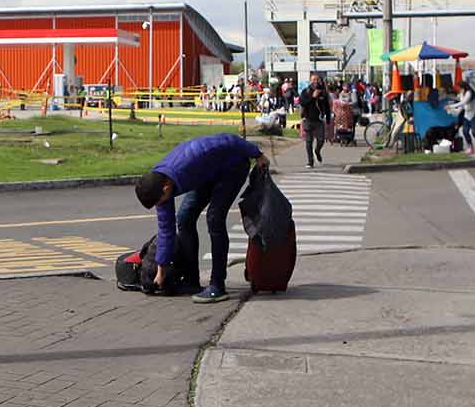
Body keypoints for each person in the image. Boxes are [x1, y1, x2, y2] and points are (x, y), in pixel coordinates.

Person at [134, 133, 267, 303]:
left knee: (214, 218)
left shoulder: (191, 158)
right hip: (206, 175)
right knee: (184, 218)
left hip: (232, 168)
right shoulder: (158, 186)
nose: (161, 205)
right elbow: (166, 227)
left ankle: (217, 285)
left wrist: (257, 154)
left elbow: (228, 139)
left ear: (166, 188)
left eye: (160, 201)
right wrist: (161, 266)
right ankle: (192, 280)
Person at [299, 76, 332, 167]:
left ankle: (317, 151)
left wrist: (328, 119)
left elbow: (327, 106)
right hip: (308, 119)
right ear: (310, 81)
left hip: (319, 120)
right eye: (314, 80)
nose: (316, 81)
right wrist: (313, 97)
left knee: (321, 140)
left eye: (317, 80)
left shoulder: (323, 92)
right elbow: (302, 102)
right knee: (309, 142)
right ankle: (310, 161)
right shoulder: (306, 91)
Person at [454, 79, 475, 155]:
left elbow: (463, 102)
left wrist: (452, 105)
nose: (457, 89)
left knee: (474, 132)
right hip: (467, 114)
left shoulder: (469, 93)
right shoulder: (461, 94)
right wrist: (451, 109)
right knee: (465, 131)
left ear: (462, 87)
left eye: (458, 87)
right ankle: (470, 147)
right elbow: (460, 108)